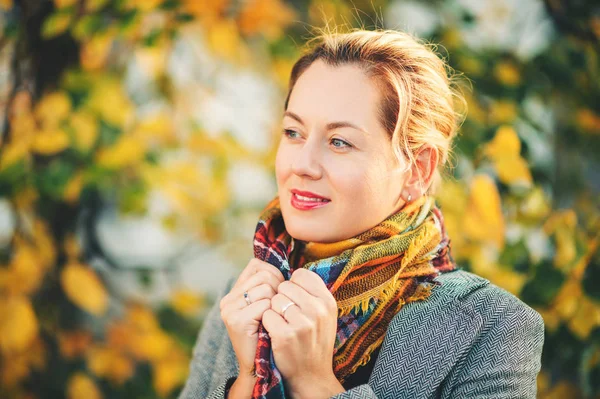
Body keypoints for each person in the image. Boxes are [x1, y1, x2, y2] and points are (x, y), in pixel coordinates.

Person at [177, 28, 545, 399]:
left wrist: (312, 381)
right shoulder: (244, 296)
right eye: (293, 132)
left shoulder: (495, 327)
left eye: (340, 142)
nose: (302, 165)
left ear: (417, 170)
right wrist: (245, 381)